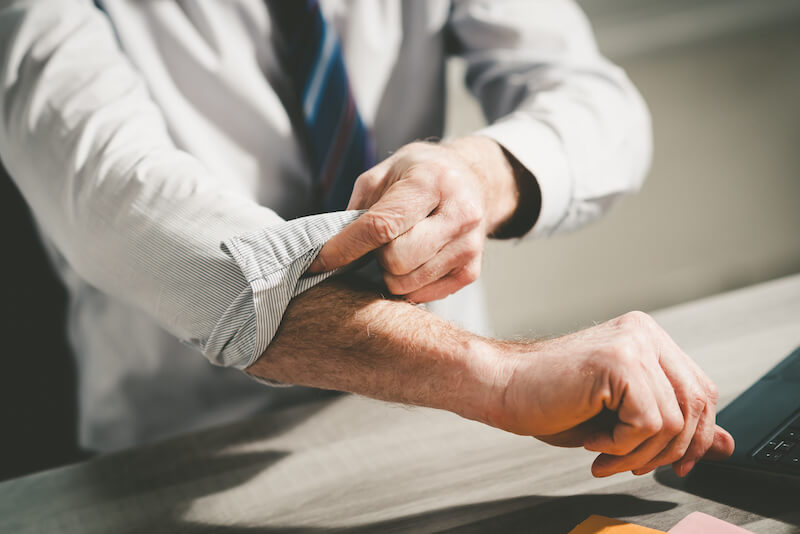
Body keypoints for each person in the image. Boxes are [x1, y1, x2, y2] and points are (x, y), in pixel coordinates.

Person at [0, 0, 733, 478]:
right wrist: (501, 377)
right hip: (186, 454)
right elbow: (128, 212)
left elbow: (595, 100)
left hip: (444, 427)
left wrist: (479, 173)